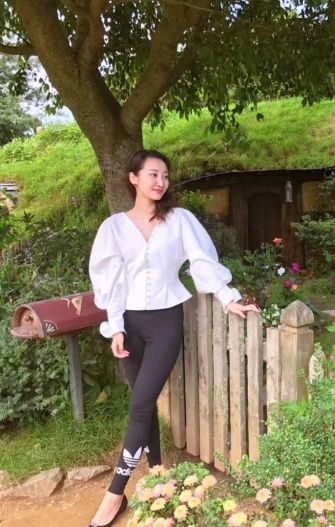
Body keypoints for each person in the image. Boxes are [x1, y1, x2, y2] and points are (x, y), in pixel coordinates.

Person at [87, 150, 258, 527]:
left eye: (165, 175)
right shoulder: (114, 228)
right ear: (133, 178)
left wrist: (228, 298)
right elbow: (110, 281)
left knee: (140, 403)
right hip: (130, 324)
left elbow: (202, 261)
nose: (160, 181)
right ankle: (158, 473)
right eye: (153, 174)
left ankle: (114, 495)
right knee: (143, 402)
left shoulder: (180, 220)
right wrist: (116, 327)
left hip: (165, 321)